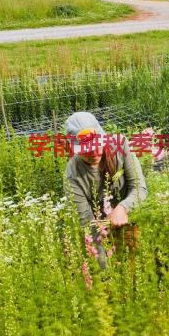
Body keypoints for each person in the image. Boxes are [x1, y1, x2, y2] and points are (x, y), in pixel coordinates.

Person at [64, 112, 147, 269]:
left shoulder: (120, 146)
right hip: (100, 229)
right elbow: (86, 222)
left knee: (136, 262)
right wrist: (103, 264)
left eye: (96, 146)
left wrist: (123, 208)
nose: (94, 153)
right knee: (104, 268)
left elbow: (139, 187)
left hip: (130, 216)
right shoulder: (73, 175)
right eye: (86, 150)